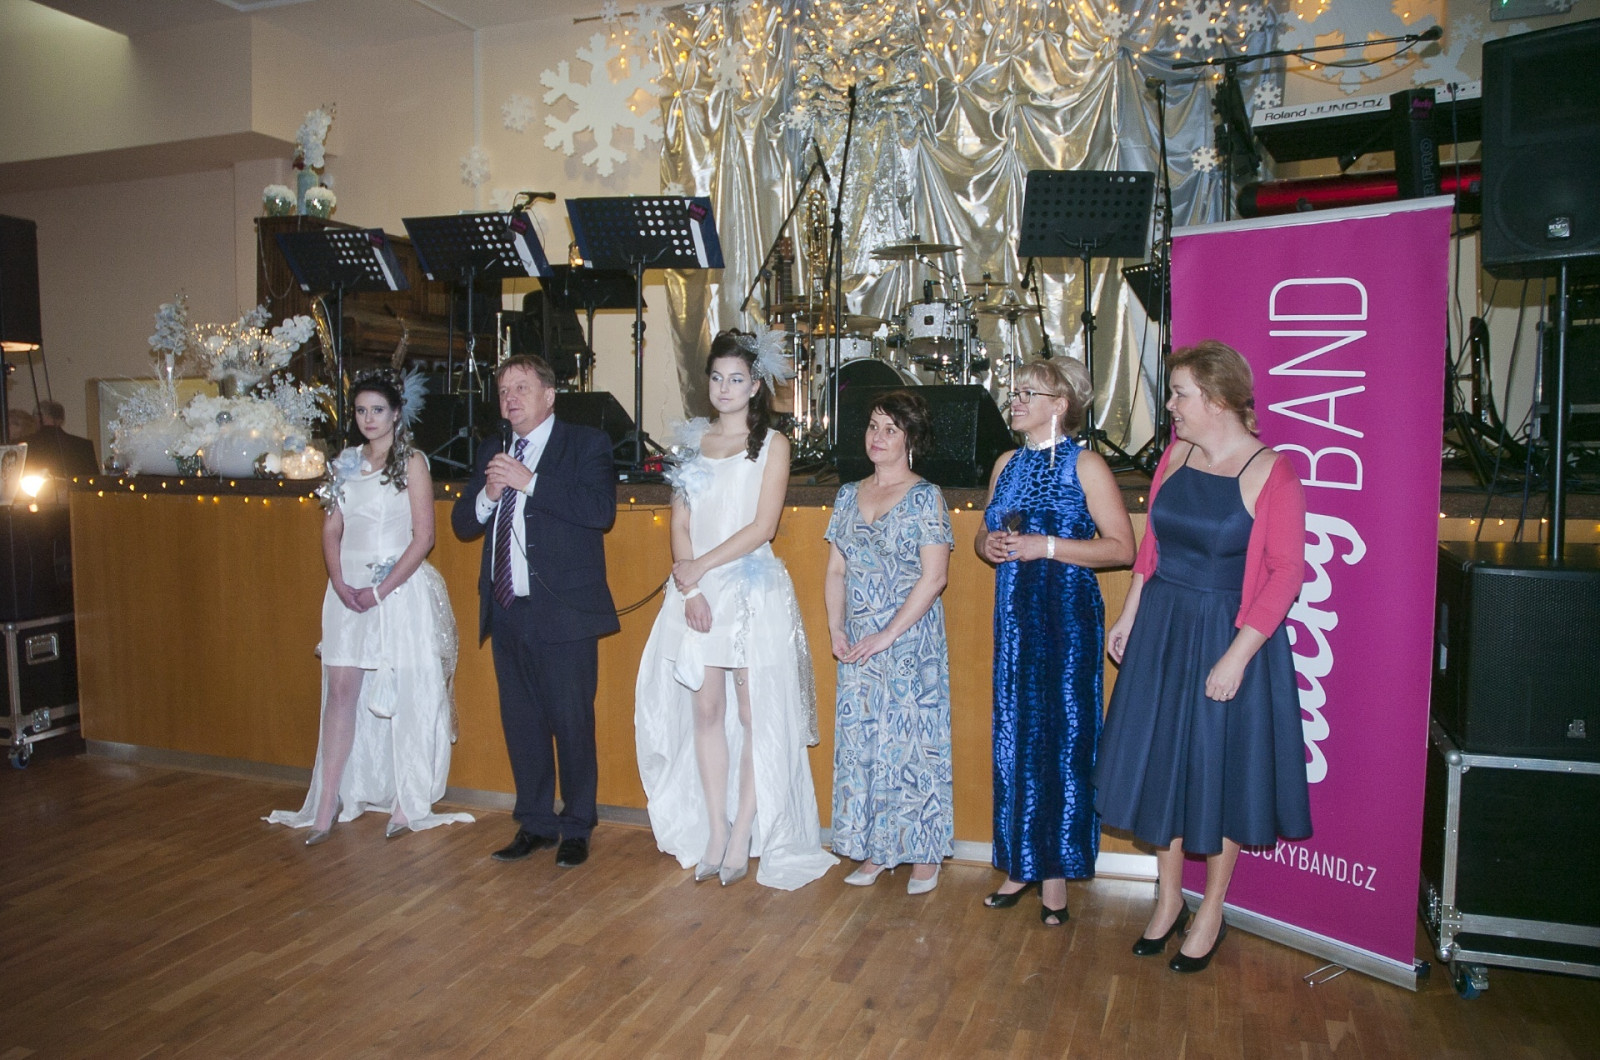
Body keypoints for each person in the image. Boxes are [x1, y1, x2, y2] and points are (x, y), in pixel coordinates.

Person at [1095, 340, 1311, 973]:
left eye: (1179, 394)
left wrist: (1238, 657)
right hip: (1163, 627)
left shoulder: (1273, 472)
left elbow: (1285, 575)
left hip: (1227, 634)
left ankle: (1211, 909)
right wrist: (1130, 615)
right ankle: (1168, 900)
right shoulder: (1177, 453)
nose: (1171, 406)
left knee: (1218, 772)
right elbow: (1153, 548)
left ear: (1217, 401)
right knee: (1164, 764)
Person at [634, 329, 837, 889]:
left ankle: (746, 827)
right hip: (697, 593)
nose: (725, 388)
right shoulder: (690, 444)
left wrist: (702, 567)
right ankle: (716, 830)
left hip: (750, 591)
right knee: (705, 712)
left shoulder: (772, 444)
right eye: (717, 378)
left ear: (755, 386)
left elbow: (762, 526)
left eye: (737, 379)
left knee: (753, 715)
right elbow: (680, 522)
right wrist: (691, 587)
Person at [268, 372, 472, 843]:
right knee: (341, 693)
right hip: (347, 592)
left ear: (396, 413)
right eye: (361, 411)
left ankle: (406, 800)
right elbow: (331, 529)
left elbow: (424, 537)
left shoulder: (412, 462)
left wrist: (380, 591)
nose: (369, 419)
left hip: (396, 589)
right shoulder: (344, 463)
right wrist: (339, 582)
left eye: (377, 410)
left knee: (405, 691)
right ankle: (326, 802)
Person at [976, 358, 1134, 926]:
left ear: (1060, 404)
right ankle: (1020, 862)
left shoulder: (1085, 464)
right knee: (1015, 739)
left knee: (1063, 742)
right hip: (1015, 621)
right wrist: (990, 545)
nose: (1014, 400)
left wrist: (1046, 546)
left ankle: (1056, 877)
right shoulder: (1006, 463)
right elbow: (984, 533)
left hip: (1066, 621)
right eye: (1014, 391)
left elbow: (1123, 548)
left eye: (1028, 393)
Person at [450, 354, 619, 869]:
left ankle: (577, 826)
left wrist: (531, 482)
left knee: (571, 723)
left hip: (564, 611)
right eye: (503, 391)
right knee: (522, 724)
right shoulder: (493, 448)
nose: (510, 399)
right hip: (507, 608)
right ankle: (536, 823)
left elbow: (600, 511)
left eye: (521, 388)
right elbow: (462, 524)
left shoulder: (585, 443)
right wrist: (488, 494)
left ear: (549, 394)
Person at [825, 389, 954, 895]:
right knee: (864, 746)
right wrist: (837, 628)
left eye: (890, 430)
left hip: (909, 644)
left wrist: (887, 634)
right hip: (859, 643)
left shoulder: (926, 497)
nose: (877, 437)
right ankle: (876, 849)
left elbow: (934, 577)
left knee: (911, 747)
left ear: (910, 439)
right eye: (873, 427)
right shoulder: (847, 495)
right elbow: (836, 570)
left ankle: (922, 853)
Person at [22, 400, 98, 479]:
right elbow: (93, 479)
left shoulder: (25, 444)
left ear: (39, 417)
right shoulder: (83, 445)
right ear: (61, 419)